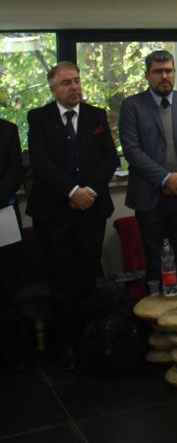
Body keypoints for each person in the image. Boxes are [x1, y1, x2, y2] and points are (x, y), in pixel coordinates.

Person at [26, 62, 119, 370]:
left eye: (77, 81)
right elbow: (40, 162)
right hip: (55, 212)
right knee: (61, 282)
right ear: (54, 89)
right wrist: (71, 191)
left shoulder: (96, 115)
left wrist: (89, 190)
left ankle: (91, 343)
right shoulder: (39, 118)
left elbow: (110, 158)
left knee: (87, 279)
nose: (75, 87)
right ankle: (65, 348)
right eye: (67, 83)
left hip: (91, 210)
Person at [119, 49, 177, 287]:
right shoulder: (132, 105)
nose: (165, 76)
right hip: (149, 196)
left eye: (169, 71)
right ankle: (157, 309)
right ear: (147, 75)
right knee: (155, 262)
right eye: (158, 72)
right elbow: (132, 150)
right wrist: (165, 178)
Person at [0, 117, 25, 371]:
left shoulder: (8, 130)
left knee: (8, 287)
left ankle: (12, 351)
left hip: (3, 216)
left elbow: (15, 171)